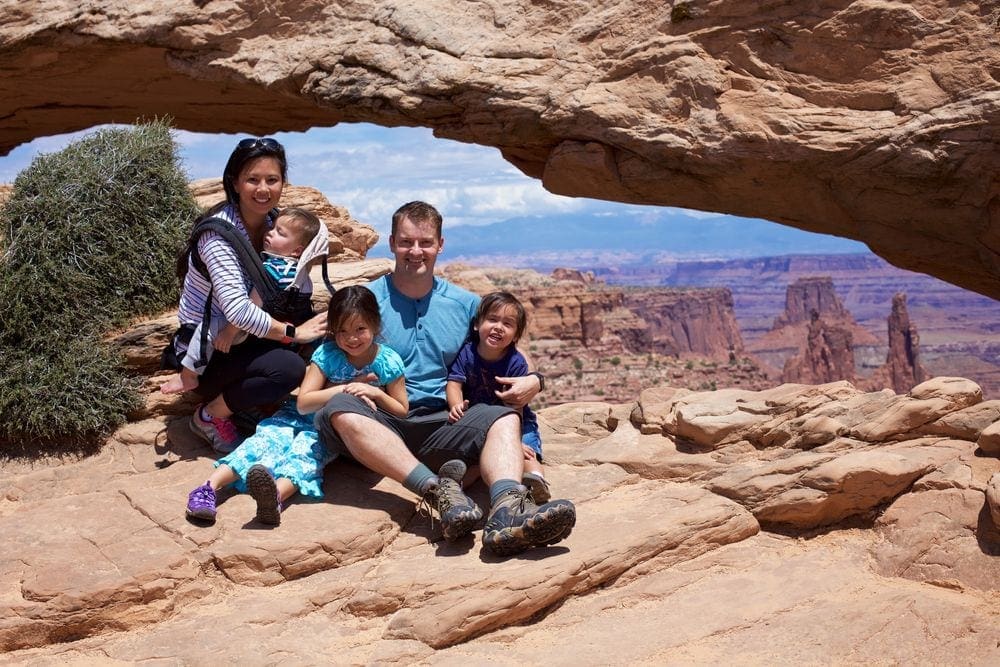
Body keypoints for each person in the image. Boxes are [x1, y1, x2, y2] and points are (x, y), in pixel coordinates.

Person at [315, 201, 575, 557]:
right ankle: (437, 491)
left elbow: (509, 347)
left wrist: (535, 380)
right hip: (381, 418)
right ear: (391, 243)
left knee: (503, 415)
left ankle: (507, 512)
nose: (415, 251)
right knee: (341, 404)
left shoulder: (465, 304)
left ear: (440, 244)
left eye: (425, 242)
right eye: (406, 242)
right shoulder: (366, 301)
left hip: (444, 421)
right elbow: (326, 352)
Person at [185, 285, 408, 525]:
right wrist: (345, 388)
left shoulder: (387, 361)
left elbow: (401, 409)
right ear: (333, 330)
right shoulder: (328, 354)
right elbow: (303, 403)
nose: (351, 338)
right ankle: (208, 489)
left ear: (375, 324)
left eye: (360, 329)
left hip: (328, 428)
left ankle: (274, 499)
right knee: (264, 442)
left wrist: (374, 393)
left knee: (306, 454)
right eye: (342, 330)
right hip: (296, 416)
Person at [162, 137, 326, 454]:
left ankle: (283, 406)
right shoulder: (218, 235)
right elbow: (237, 312)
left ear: (283, 183)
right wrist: (294, 332)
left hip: (245, 341)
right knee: (288, 367)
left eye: (272, 180)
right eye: (252, 179)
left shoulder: (274, 223)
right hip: (210, 351)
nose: (262, 189)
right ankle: (209, 417)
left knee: (322, 331)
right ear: (235, 182)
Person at [161, 207, 322, 395]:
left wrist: (229, 332)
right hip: (266, 333)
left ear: (297, 251)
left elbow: (251, 306)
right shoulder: (298, 272)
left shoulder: (273, 269)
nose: (269, 232)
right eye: (274, 227)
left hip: (245, 328)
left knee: (209, 330)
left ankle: (188, 376)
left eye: (280, 232)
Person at [446, 291, 551, 503]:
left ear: (516, 335)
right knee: (478, 460)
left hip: (515, 419)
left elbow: (516, 405)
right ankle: (451, 491)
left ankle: (536, 482)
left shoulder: (515, 363)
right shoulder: (467, 353)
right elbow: (454, 383)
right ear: (477, 325)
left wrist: (514, 439)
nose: (498, 327)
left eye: (507, 324)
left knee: (527, 453)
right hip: (478, 418)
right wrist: (456, 404)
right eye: (492, 319)